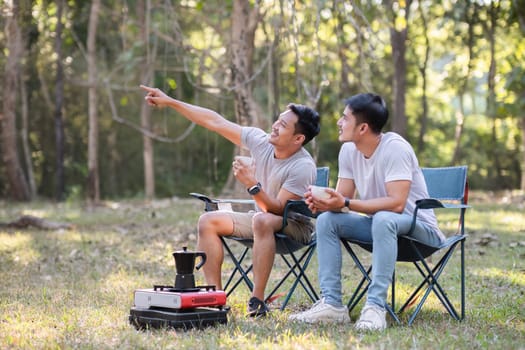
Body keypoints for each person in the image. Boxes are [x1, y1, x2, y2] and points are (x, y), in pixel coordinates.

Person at [140, 85, 321, 317]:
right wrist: (172, 102)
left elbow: (277, 209)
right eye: (278, 120)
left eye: (283, 125)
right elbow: (215, 122)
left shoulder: (302, 166)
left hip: (295, 227)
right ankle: (214, 298)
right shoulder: (261, 141)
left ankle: (257, 301)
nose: (275, 126)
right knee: (208, 221)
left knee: (263, 220)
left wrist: (252, 185)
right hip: (260, 219)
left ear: (298, 138)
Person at [289, 93, 444, 331]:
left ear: (362, 128)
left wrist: (346, 203)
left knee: (384, 218)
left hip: (419, 234)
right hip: (380, 230)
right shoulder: (349, 150)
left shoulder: (395, 148)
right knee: (329, 221)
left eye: (345, 118)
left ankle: (375, 307)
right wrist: (324, 203)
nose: (339, 122)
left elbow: (396, 204)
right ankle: (332, 305)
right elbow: (340, 203)